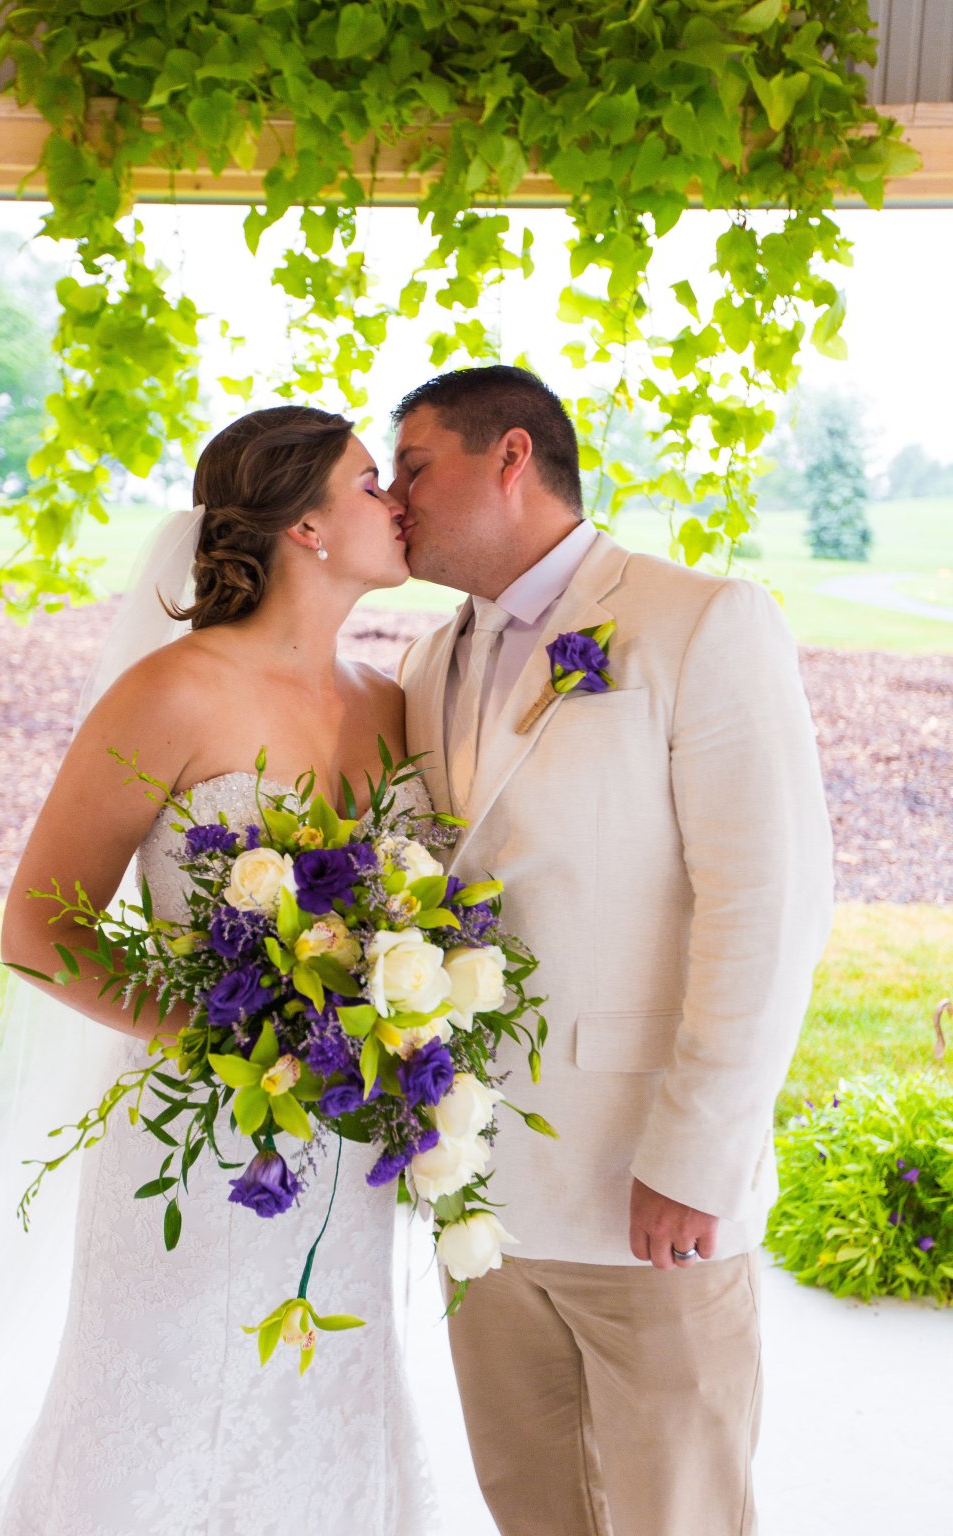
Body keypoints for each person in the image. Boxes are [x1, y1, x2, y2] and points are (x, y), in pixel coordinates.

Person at [0, 406, 440, 1536]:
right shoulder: (173, 691)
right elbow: (38, 925)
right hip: (197, 1133)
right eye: (370, 482)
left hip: (347, 1125)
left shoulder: (391, 701)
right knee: (171, 1396)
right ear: (305, 525)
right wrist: (232, 1039)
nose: (396, 501)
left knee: (323, 1386)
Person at [390, 365, 835, 1536]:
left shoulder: (700, 620)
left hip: (645, 1189)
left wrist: (697, 1153)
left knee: (670, 1512)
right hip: (478, 1188)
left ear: (511, 457)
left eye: (415, 466)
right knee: (529, 1506)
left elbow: (767, 905)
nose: (393, 498)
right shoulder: (425, 663)